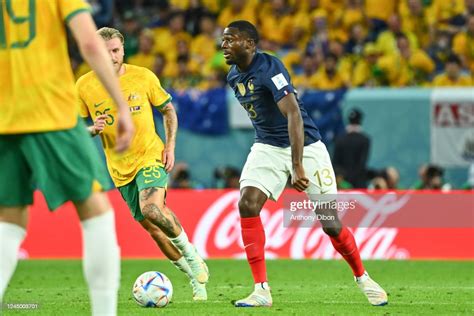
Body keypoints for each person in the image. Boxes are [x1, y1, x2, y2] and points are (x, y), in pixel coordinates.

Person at [221, 20, 388, 307]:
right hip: (268, 146)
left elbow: (294, 115)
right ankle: (261, 290)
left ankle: (363, 277)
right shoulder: (233, 76)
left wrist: (297, 165)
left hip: (306, 146)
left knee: (330, 223)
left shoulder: (269, 68)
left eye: (230, 40)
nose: (224, 45)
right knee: (247, 204)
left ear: (249, 43)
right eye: (223, 40)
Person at [0, 1, 134, 315]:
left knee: (9, 219)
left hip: (4, 118)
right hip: (52, 113)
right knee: (95, 209)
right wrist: (120, 104)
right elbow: (89, 41)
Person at [76, 27, 209, 300]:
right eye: (106, 51)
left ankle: (192, 254)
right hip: (119, 169)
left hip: (150, 155)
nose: (112, 56)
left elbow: (168, 110)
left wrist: (170, 145)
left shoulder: (143, 76)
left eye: (116, 50)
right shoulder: (84, 86)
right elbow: (74, 126)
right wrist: (91, 129)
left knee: (151, 209)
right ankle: (194, 280)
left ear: (123, 50)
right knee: (154, 230)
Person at [333, 109, 371, 188]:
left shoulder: (339, 139)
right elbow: (362, 164)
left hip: (342, 183)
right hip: (359, 184)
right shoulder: (365, 140)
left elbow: (335, 162)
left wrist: (345, 178)